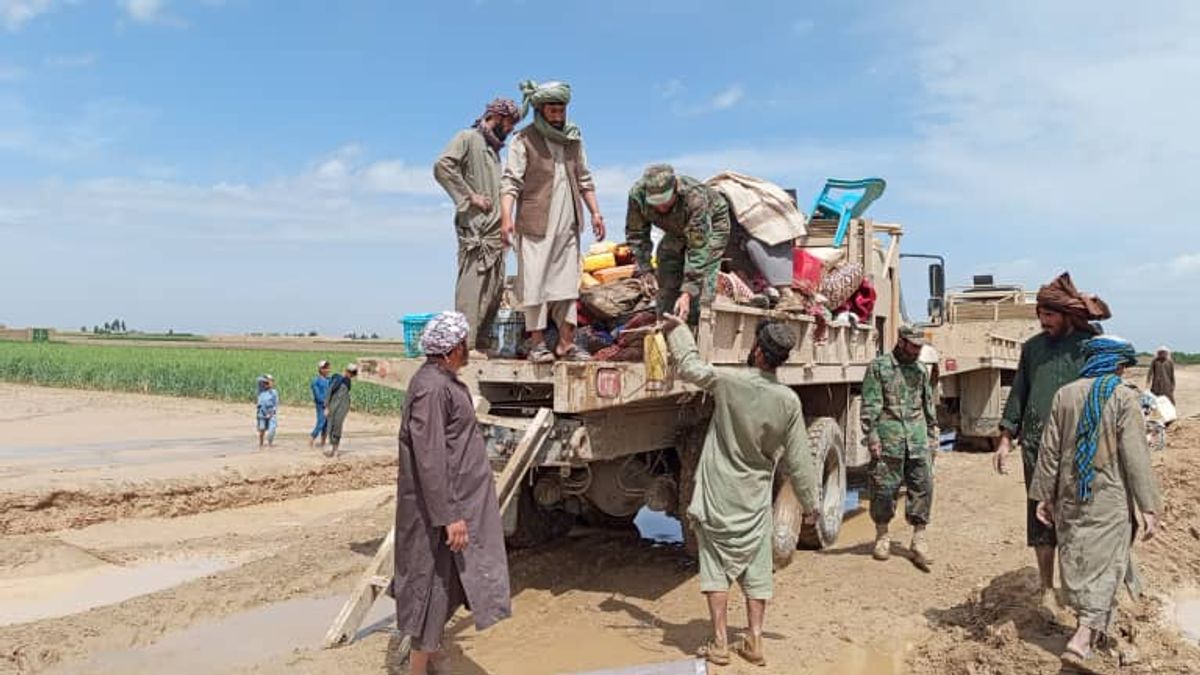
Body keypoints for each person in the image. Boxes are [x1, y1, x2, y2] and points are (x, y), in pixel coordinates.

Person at [664, 312, 819, 667]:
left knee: (715, 567)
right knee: (757, 568)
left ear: (759, 353)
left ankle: (720, 642)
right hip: (753, 498)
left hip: (719, 494)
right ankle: (755, 641)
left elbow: (689, 367)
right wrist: (811, 505)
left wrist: (678, 330)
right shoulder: (789, 402)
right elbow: (799, 462)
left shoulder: (729, 383)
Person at [1029, 335, 1161, 670]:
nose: (1123, 373)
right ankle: (1083, 637)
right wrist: (1148, 505)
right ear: (1116, 364)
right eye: (1122, 367)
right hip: (1108, 497)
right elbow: (1136, 456)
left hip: (1070, 497)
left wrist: (1044, 495)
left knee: (1078, 560)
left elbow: (1049, 451)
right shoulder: (1122, 397)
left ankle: (1089, 624)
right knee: (1108, 563)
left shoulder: (1065, 395)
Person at [393, 311, 511, 675]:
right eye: (464, 345)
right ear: (450, 349)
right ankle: (416, 667)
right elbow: (430, 458)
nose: (468, 351)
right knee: (430, 586)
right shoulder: (431, 388)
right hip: (438, 510)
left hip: (454, 502)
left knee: (450, 584)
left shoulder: (442, 381)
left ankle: (434, 655)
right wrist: (449, 516)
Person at [994, 272, 1111, 612]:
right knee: (1040, 516)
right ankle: (1046, 586)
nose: (1044, 322)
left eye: (1050, 316)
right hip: (1036, 445)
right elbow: (1019, 394)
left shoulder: (1090, 348)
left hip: (1081, 446)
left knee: (1078, 514)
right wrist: (1005, 438)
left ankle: (1077, 587)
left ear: (1067, 316)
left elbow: (1106, 392)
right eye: (1041, 316)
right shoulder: (1032, 349)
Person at [500, 79, 605, 363]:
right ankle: (536, 345)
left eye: (562, 111)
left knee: (567, 285)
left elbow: (584, 179)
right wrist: (507, 216)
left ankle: (566, 344)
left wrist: (595, 212)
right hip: (535, 224)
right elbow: (510, 182)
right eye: (553, 111)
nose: (558, 117)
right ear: (541, 110)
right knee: (534, 283)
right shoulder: (523, 140)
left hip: (568, 224)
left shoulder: (574, 139)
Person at [628, 165, 803, 324]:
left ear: (675, 188)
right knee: (666, 264)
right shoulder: (638, 195)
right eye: (655, 203)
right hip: (676, 229)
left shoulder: (694, 197)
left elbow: (698, 250)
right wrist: (646, 271)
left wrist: (687, 293)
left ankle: (698, 325)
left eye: (665, 201)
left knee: (703, 278)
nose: (660, 208)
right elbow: (637, 234)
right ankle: (666, 322)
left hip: (713, 223)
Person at [434, 97, 522, 352]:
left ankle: (480, 345)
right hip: (476, 234)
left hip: (495, 237)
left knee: (493, 292)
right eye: (508, 123)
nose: (509, 130)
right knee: (472, 292)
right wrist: (469, 196)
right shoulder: (467, 138)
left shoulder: (493, 152)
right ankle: (465, 347)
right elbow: (443, 166)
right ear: (496, 118)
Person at [861, 326, 938, 567]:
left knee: (922, 486)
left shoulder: (920, 370)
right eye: (913, 346)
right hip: (888, 439)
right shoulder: (879, 367)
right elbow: (870, 404)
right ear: (901, 342)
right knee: (884, 488)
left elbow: (927, 404)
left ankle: (919, 538)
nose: (917, 351)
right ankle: (882, 535)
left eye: (920, 347)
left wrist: (932, 435)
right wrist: (872, 436)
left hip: (916, 439)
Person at [323, 363, 357, 458]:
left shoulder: (348, 382)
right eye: (350, 372)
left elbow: (346, 395)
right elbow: (329, 392)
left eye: (352, 373)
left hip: (342, 408)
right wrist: (326, 406)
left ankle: (335, 450)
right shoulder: (337, 379)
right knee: (331, 426)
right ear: (346, 371)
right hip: (333, 406)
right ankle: (333, 448)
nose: (350, 375)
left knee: (337, 426)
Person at [309, 360, 331, 448]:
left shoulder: (330, 380)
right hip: (321, 406)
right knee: (320, 424)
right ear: (320, 369)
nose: (327, 370)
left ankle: (322, 444)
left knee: (326, 425)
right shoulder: (316, 381)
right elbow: (317, 396)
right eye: (325, 368)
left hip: (329, 405)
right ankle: (310, 442)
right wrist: (325, 405)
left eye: (328, 368)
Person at [256, 374, 279, 448]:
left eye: (268, 383)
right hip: (261, 413)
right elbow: (258, 380)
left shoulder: (273, 392)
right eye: (265, 383)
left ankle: (270, 443)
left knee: (271, 430)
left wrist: (271, 413)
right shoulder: (261, 390)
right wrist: (266, 379)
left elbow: (276, 404)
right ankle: (261, 444)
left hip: (271, 412)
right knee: (262, 429)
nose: (266, 384)